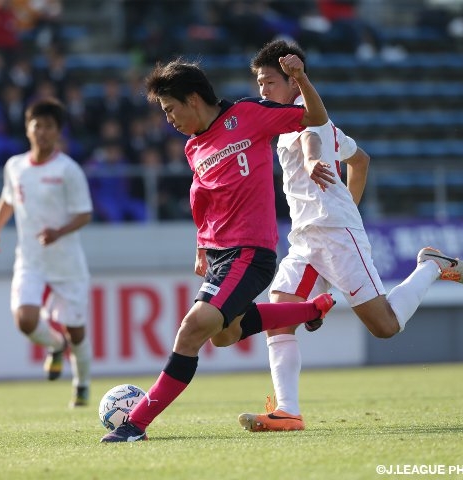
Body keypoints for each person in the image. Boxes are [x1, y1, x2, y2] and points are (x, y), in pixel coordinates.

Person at [236, 39, 463, 433]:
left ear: (293, 84)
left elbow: (312, 137)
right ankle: (288, 411)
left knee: (384, 327)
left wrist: (322, 174)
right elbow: (361, 160)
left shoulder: (306, 118)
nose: (262, 90)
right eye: (259, 83)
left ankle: (431, 266)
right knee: (278, 313)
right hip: (306, 237)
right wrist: (346, 200)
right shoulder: (289, 125)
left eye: (267, 82)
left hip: (335, 234)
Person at [100, 56, 335, 443]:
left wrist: (300, 79)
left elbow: (314, 116)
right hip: (221, 254)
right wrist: (201, 246)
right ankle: (313, 308)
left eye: (170, 109)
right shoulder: (194, 147)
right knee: (226, 334)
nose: (169, 120)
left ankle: (135, 424)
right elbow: (204, 201)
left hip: (251, 252)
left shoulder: (248, 114)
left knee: (192, 329)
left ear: (193, 99)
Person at [0, 97, 93, 408]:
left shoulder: (67, 170)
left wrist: (58, 232)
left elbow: (84, 213)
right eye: (37, 125)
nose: (42, 132)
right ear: (27, 129)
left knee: (77, 330)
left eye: (49, 126)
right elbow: (8, 200)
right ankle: (55, 345)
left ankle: (82, 384)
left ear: (58, 131)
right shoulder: (15, 166)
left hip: (67, 264)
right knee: (25, 320)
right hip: (30, 260)